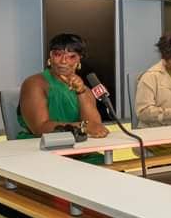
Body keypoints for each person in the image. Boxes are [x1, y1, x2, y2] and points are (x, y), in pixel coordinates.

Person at [18, 34, 109, 163]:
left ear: (79, 60)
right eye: (58, 55)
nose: (64, 61)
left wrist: (81, 92)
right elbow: (40, 128)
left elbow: (95, 127)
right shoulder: (35, 83)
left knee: (110, 170)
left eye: (72, 56)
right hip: (38, 150)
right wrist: (82, 127)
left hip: (76, 150)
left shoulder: (86, 90)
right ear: (50, 57)